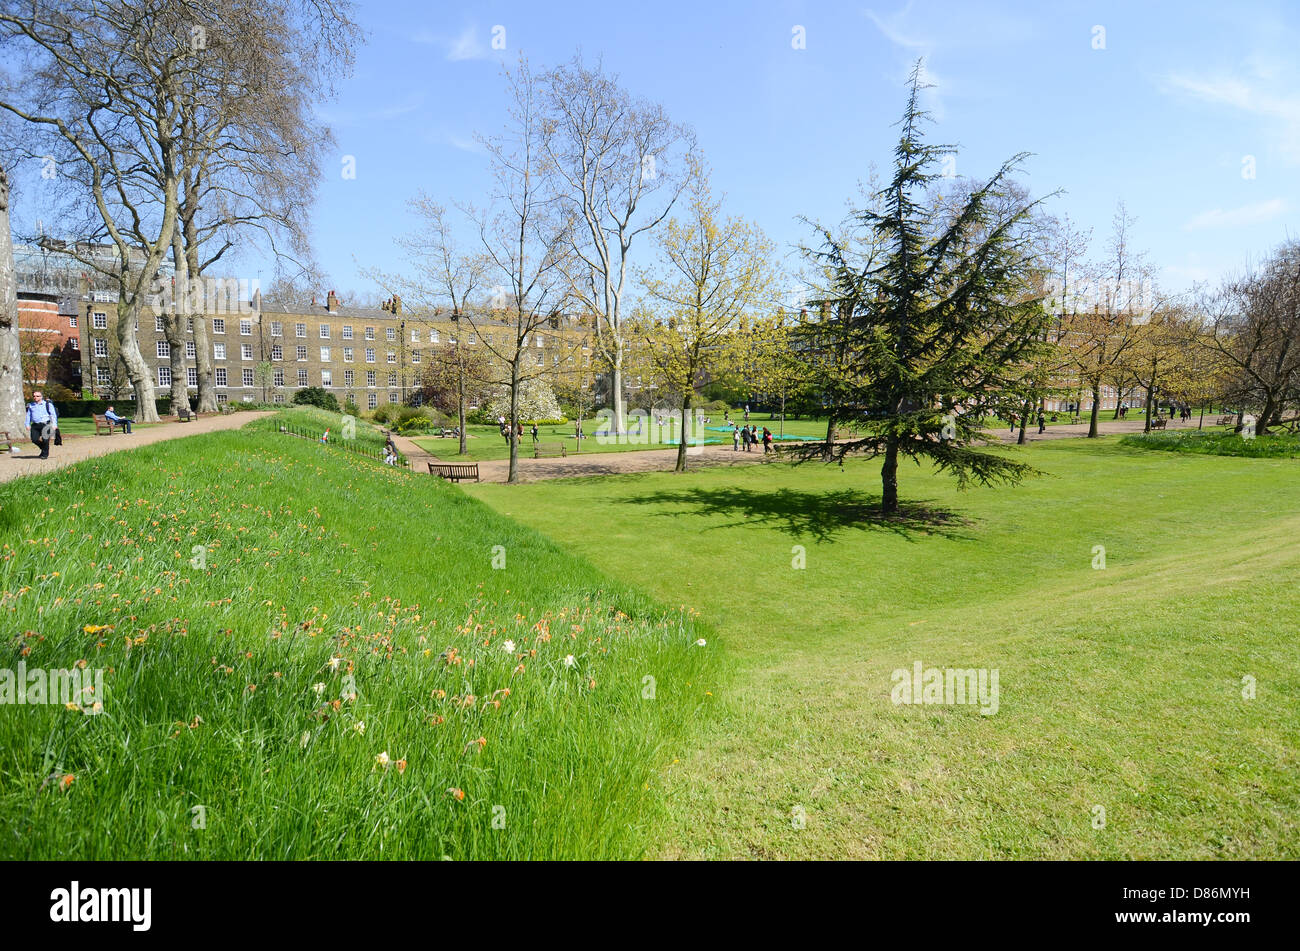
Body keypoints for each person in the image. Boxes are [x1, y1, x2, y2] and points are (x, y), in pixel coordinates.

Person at [26, 390, 58, 459]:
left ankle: (45, 455)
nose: (35, 397)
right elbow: (28, 415)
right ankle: (44, 448)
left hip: (46, 424)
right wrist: (27, 424)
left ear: (41, 397)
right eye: (34, 396)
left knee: (45, 440)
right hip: (35, 425)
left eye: (37, 396)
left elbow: (53, 415)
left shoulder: (48, 404)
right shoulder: (31, 405)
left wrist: (54, 424)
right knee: (34, 439)